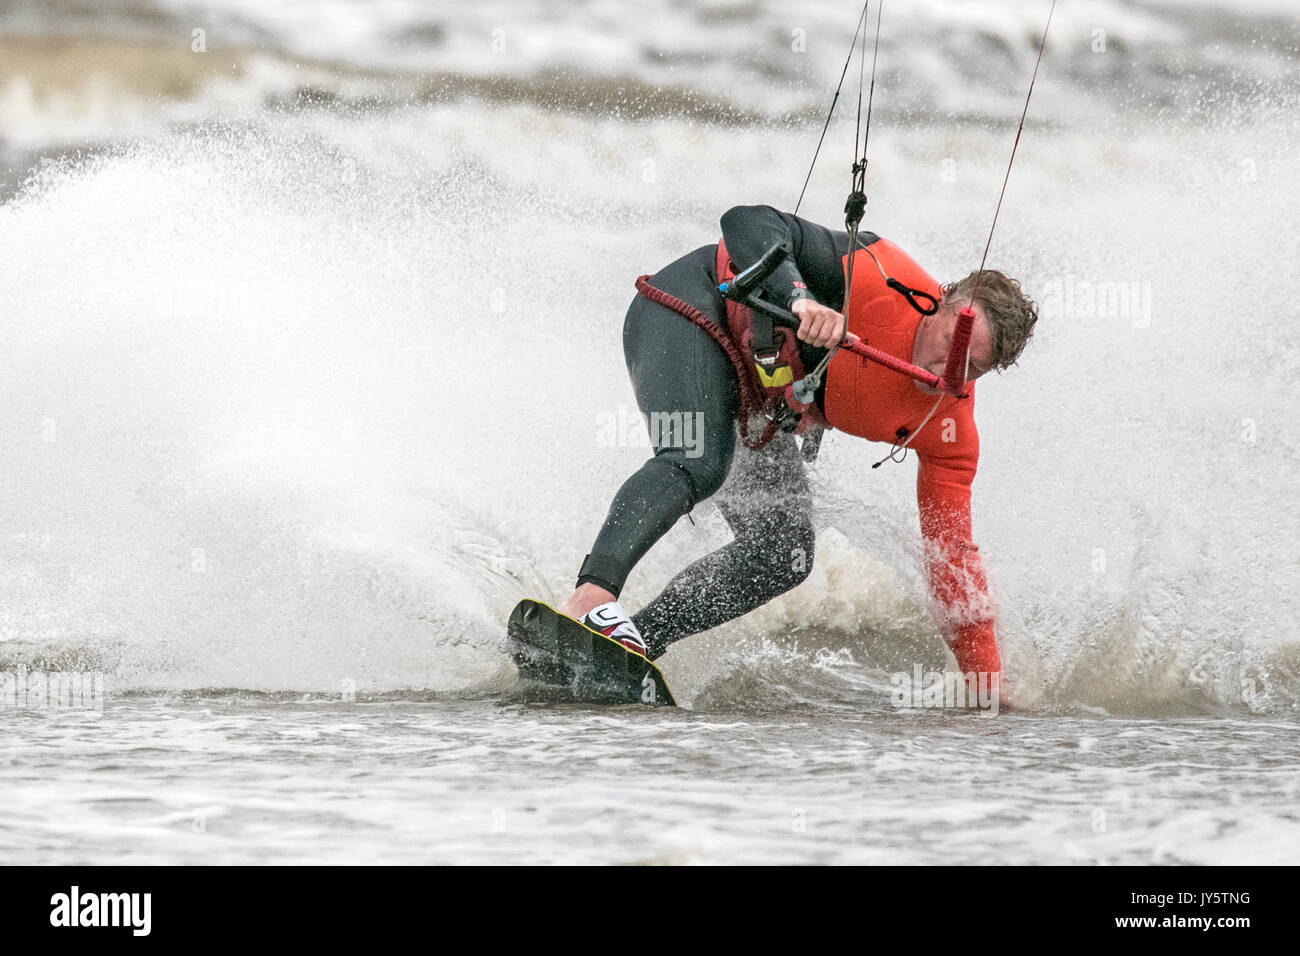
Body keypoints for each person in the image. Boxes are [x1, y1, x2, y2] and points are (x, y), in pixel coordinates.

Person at [558, 204, 1037, 684]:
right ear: (943, 299)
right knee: (698, 461)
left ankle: (627, 648)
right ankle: (592, 597)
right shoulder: (876, 271)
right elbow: (746, 220)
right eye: (951, 343)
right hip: (690, 308)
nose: (943, 372)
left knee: (782, 553)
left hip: (753, 394)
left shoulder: (949, 433)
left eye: (970, 368)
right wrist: (800, 298)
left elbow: (950, 556)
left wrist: (983, 681)